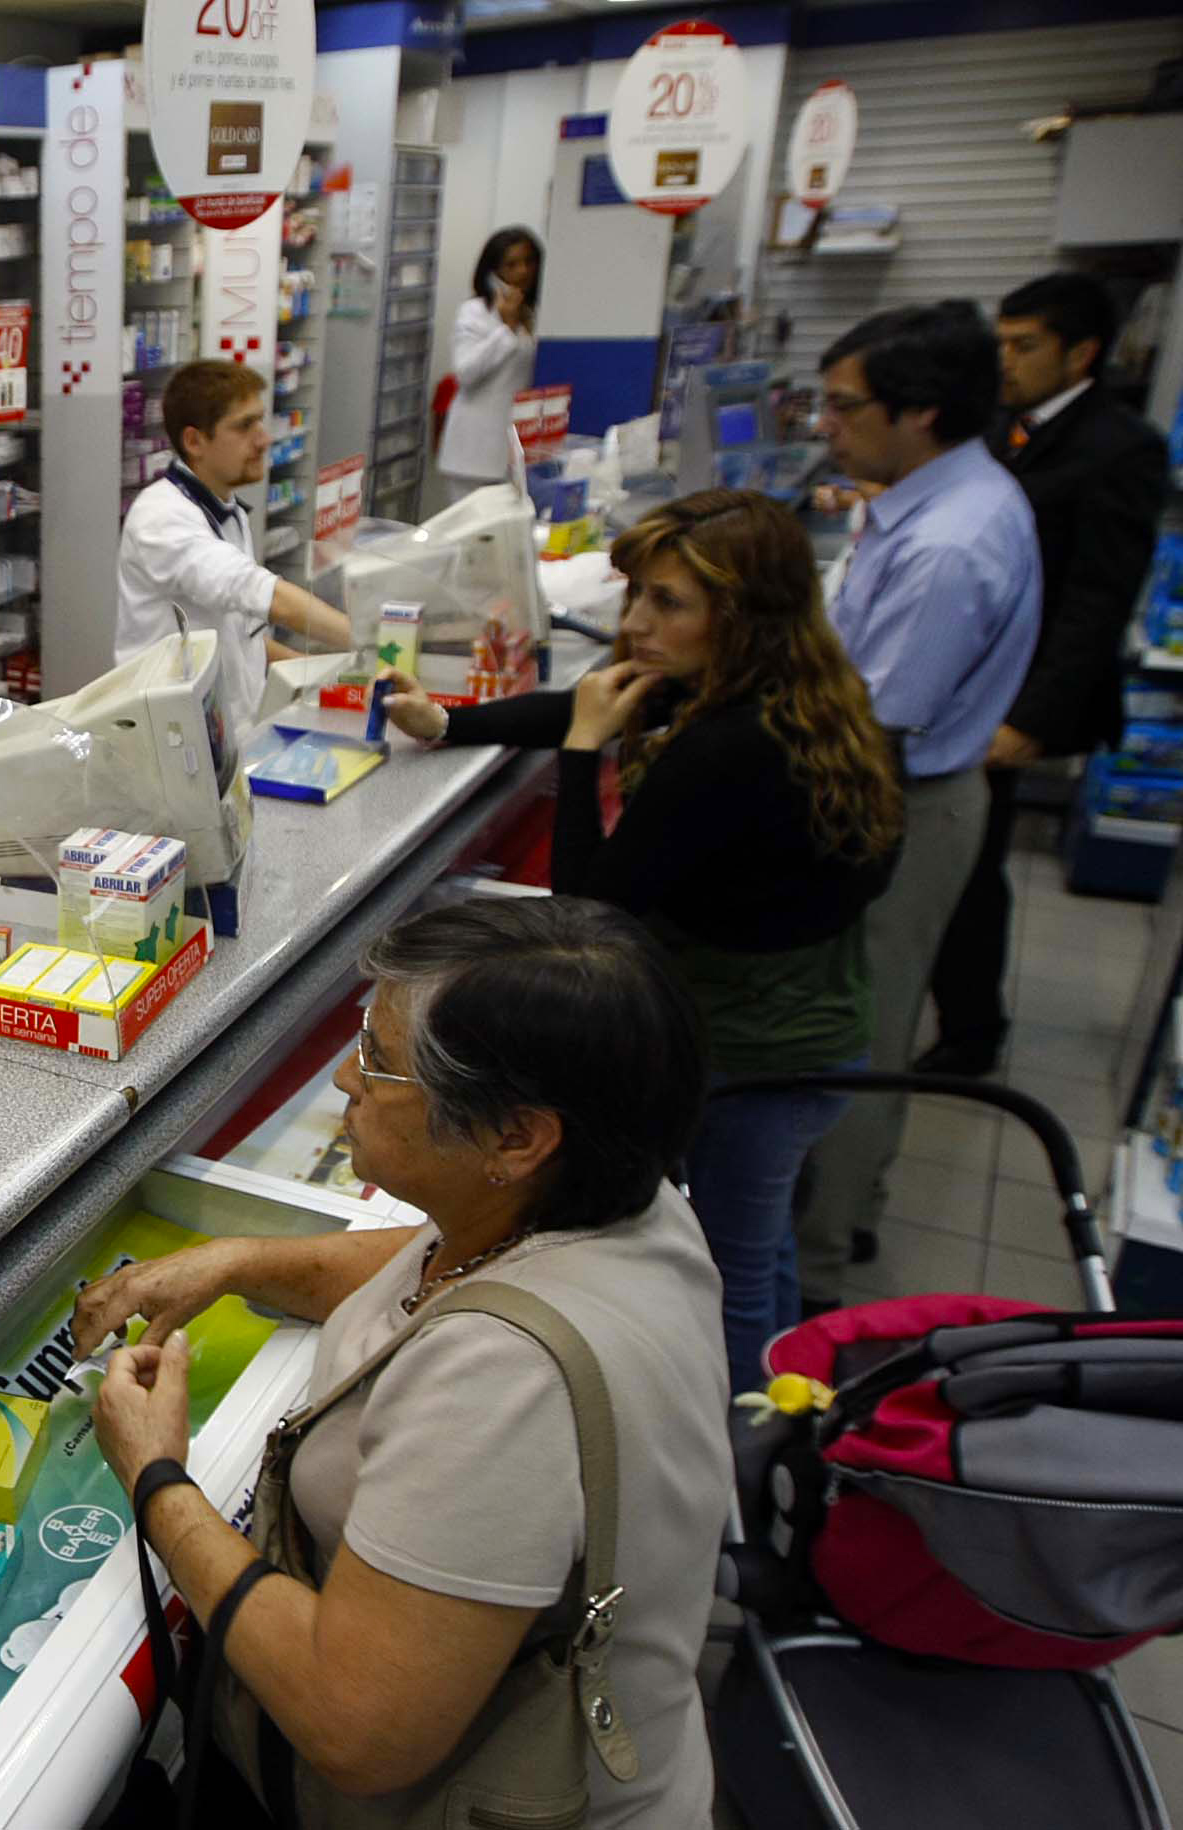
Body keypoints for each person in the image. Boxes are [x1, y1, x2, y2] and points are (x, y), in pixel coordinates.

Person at [76, 897, 727, 1826]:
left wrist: (157, 1478)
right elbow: (448, 1270)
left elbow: (355, 1726)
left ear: (517, 1137)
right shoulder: (619, 1200)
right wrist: (237, 1262)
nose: (346, 1074)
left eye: (381, 1062)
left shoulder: (502, 1387)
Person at [380, 488, 901, 1393]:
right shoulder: (798, 690)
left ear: (739, 617)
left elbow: (591, 913)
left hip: (757, 1057)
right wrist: (453, 721)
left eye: (667, 603)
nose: (636, 624)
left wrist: (585, 754)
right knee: (761, 1238)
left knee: (730, 1265)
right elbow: (591, 698)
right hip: (816, 1026)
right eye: (637, 597)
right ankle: (789, 1392)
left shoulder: (726, 748)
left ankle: (747, 1450)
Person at [795, 302, 1040, 1300]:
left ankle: (814, 1263)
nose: (825, 424)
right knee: (869, 1022)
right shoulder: (934, 503)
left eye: (846, 406)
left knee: (859, 1032)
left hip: (899, 803)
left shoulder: (948, 545)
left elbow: (875, 721)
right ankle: (843, 1217)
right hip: (911, 787)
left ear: (923, 412)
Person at [921, 273, 1170, 1075]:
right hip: (966, 681)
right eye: (1003, 342)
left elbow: (1096, 602)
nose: (1008, 360)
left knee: (973, 870)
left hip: (1016, 700)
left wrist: (1030, 719)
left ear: (1082, 352)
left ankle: (970, 1034)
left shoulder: (1121, 448)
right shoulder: (999, 428)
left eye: (1025, 346)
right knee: (957, 860)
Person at [116, 361, 353, 743]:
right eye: (244, 426)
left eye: (260, 421)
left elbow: (242, 638)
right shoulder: (161, 519)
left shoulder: (225, 510)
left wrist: (326, 673)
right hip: (175, 743)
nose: (263, 439)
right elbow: (259, 593)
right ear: (195, 442)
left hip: (231, 734)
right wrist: (370, 640)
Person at [437, 227, 542, 504]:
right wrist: (505, 328)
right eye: (511, 264)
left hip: (511, 451)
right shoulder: (474, 313)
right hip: (473, 454)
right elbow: (467, 373)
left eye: (529, 262)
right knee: (471, 540)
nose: (523, 271)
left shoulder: (531, 313)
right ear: (493, 272)